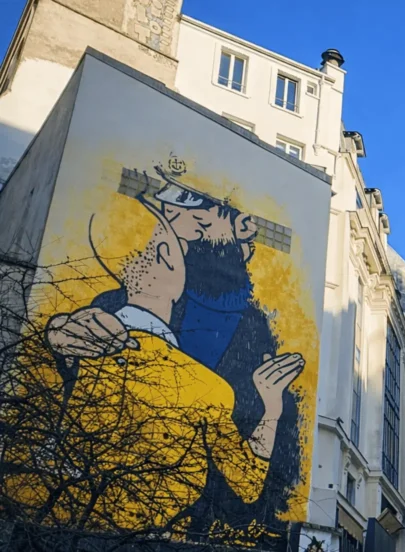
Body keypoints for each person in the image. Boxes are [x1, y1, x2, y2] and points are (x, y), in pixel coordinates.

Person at [9, 195, 304, 533]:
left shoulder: (255, 325)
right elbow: (75, 344)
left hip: (180, 516)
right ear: (171, 255)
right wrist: (57, 335)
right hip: (138, 519)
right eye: (202, 224)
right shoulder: (112, 314)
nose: (246, 237)